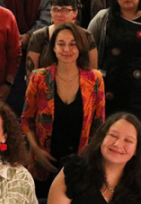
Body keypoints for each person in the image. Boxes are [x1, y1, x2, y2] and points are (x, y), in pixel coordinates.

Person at [23, 21, 106, 187]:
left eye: (72, 44)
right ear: (53, 48)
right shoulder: (39, 78)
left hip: (81, 165)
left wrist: (88, 157)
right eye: (61, 44)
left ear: (80, 47)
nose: (66, 49)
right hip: (44, 163)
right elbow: (26, 120)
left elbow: (99, 124)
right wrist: (36, 150)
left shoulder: (94, 79)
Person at [26, 0, 99, 73]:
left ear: (75, 13)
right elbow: (31, 74)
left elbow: (93, 73)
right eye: (55, 10)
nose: (59, 14)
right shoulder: (39, 36)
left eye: (64, 10)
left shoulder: (86, 36)